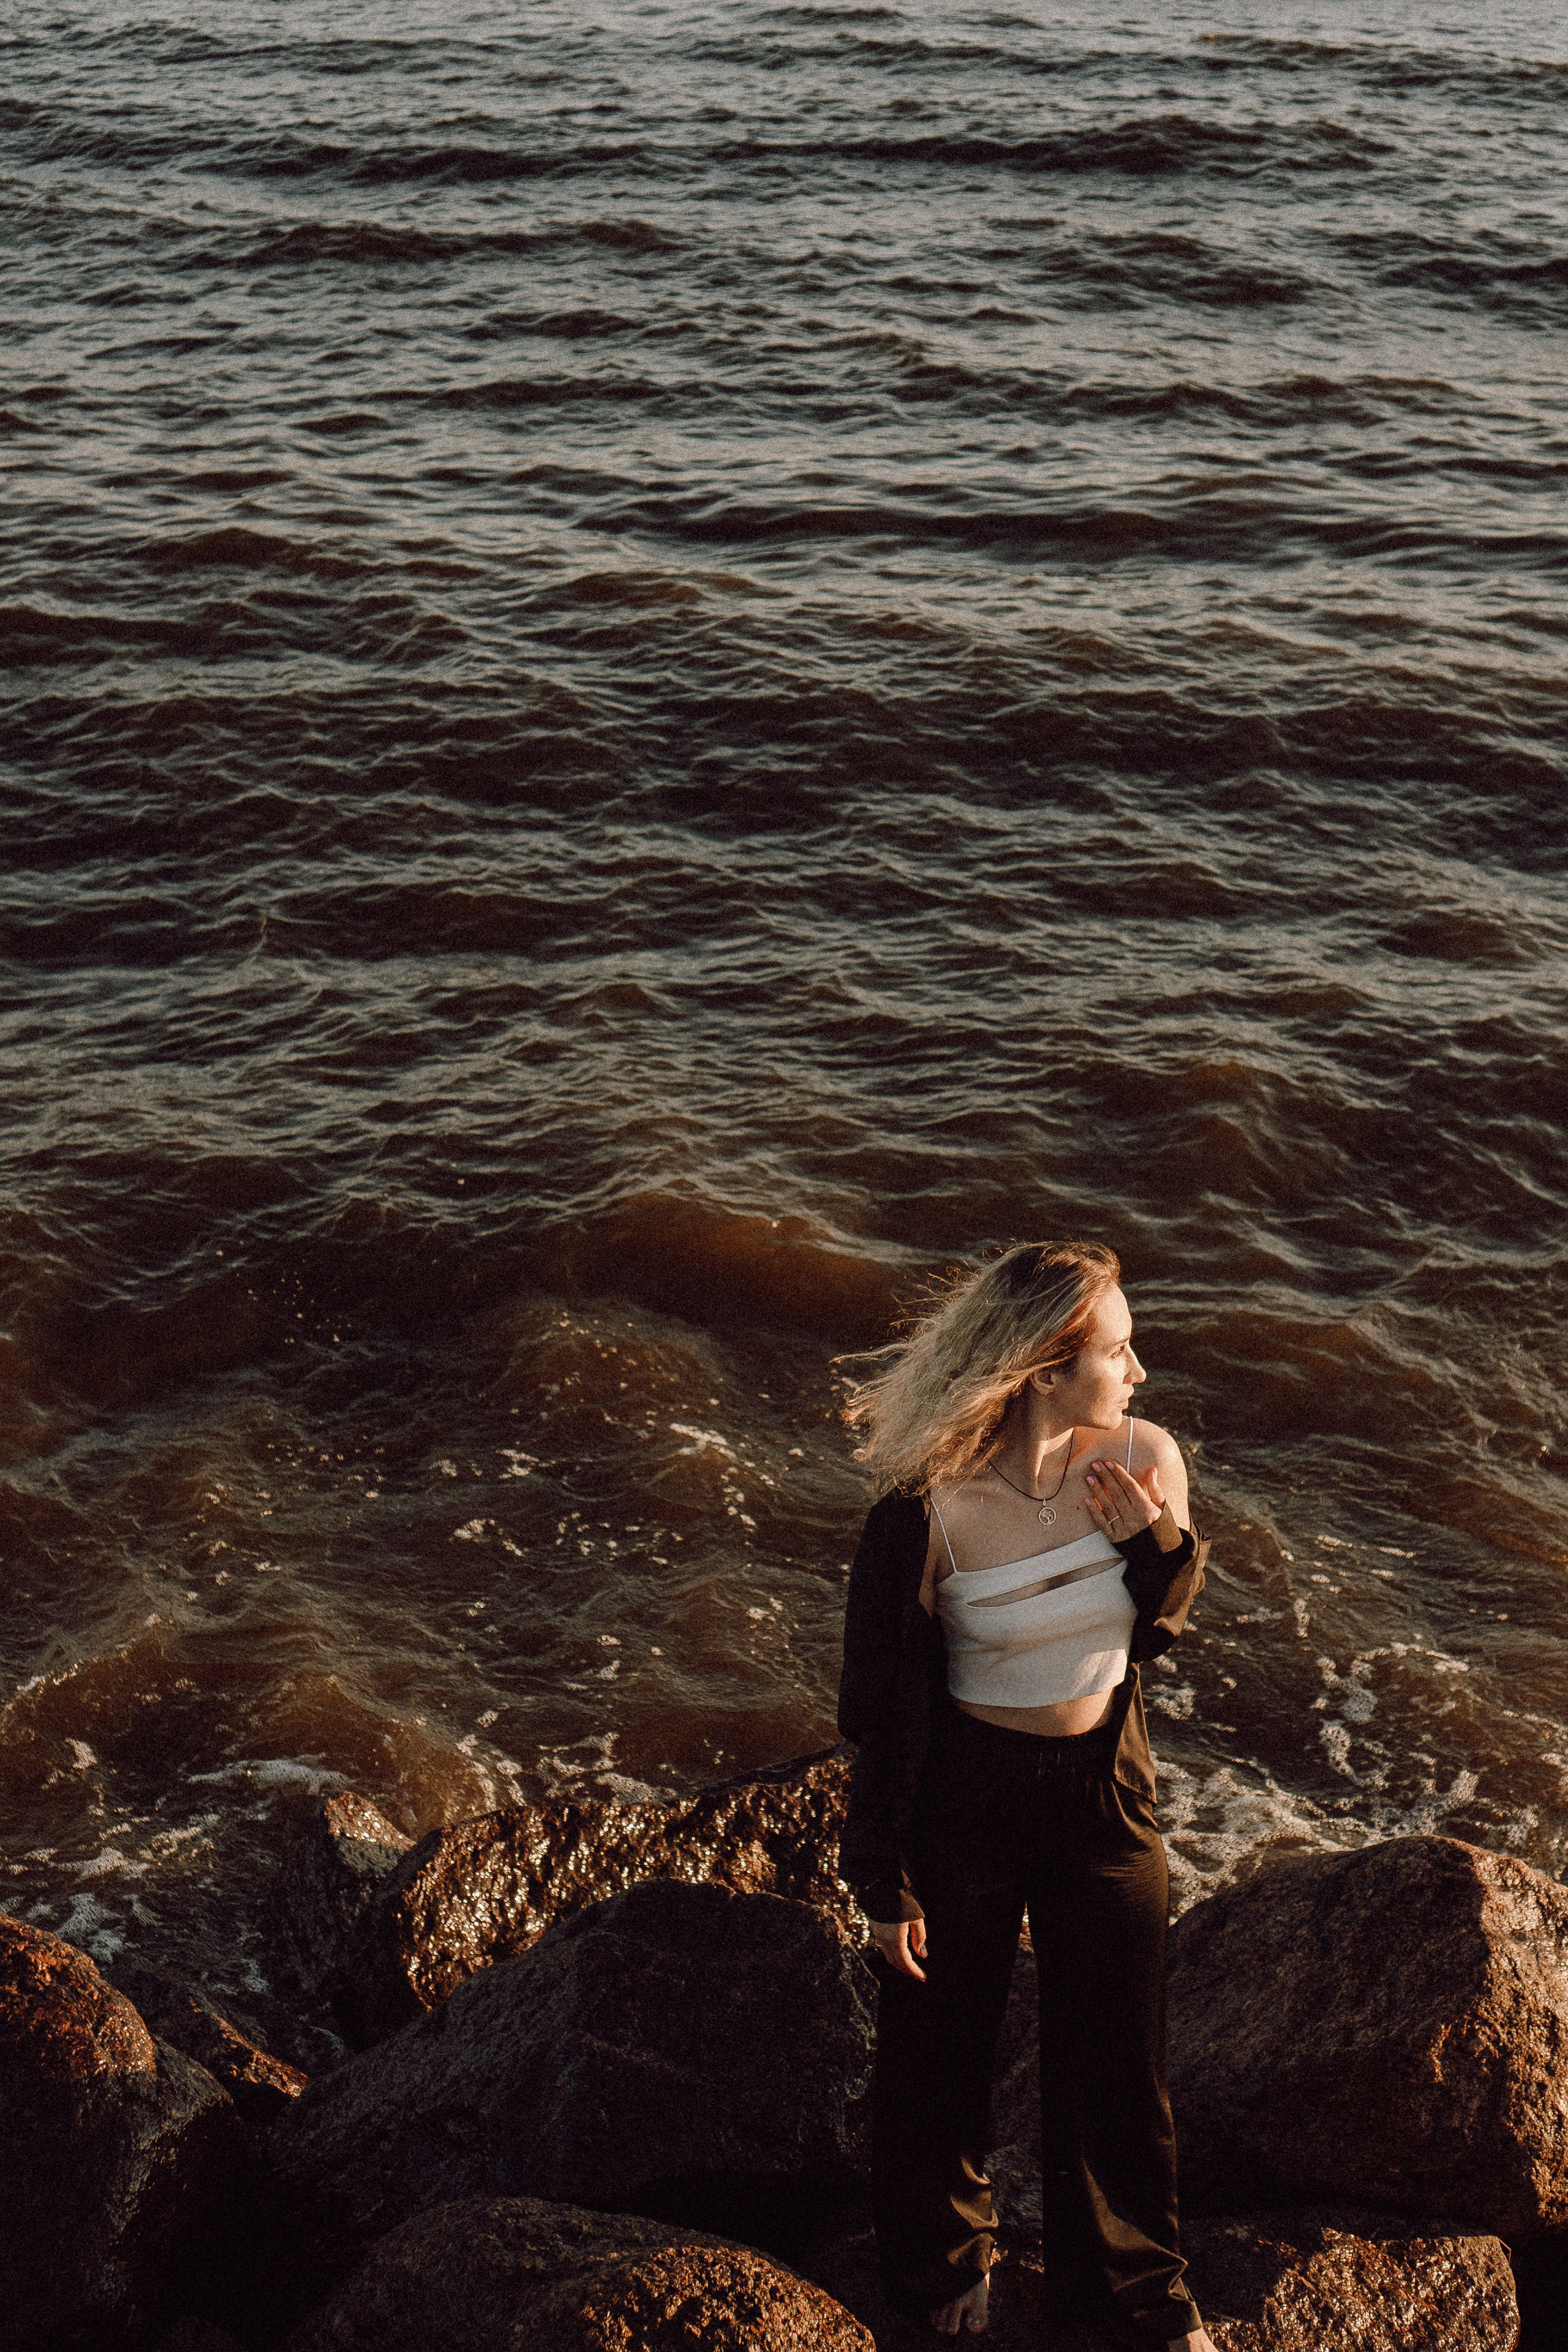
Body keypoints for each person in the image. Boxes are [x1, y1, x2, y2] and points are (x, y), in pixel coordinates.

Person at [837, 1241, 1213, 2346]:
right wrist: (884, 1880)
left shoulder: (1144, 1458)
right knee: (940, 2047)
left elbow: (1164, 1624)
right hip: (970, 1801)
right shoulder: (926, 1511)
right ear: (1046, 1367)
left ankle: (1136, 2292)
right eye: (1117, 1351)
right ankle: (946, 2258)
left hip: (1107, 1792)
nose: (1138, 1370)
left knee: (1119, 2063)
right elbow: (876, 1710)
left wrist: (1151, 1542)